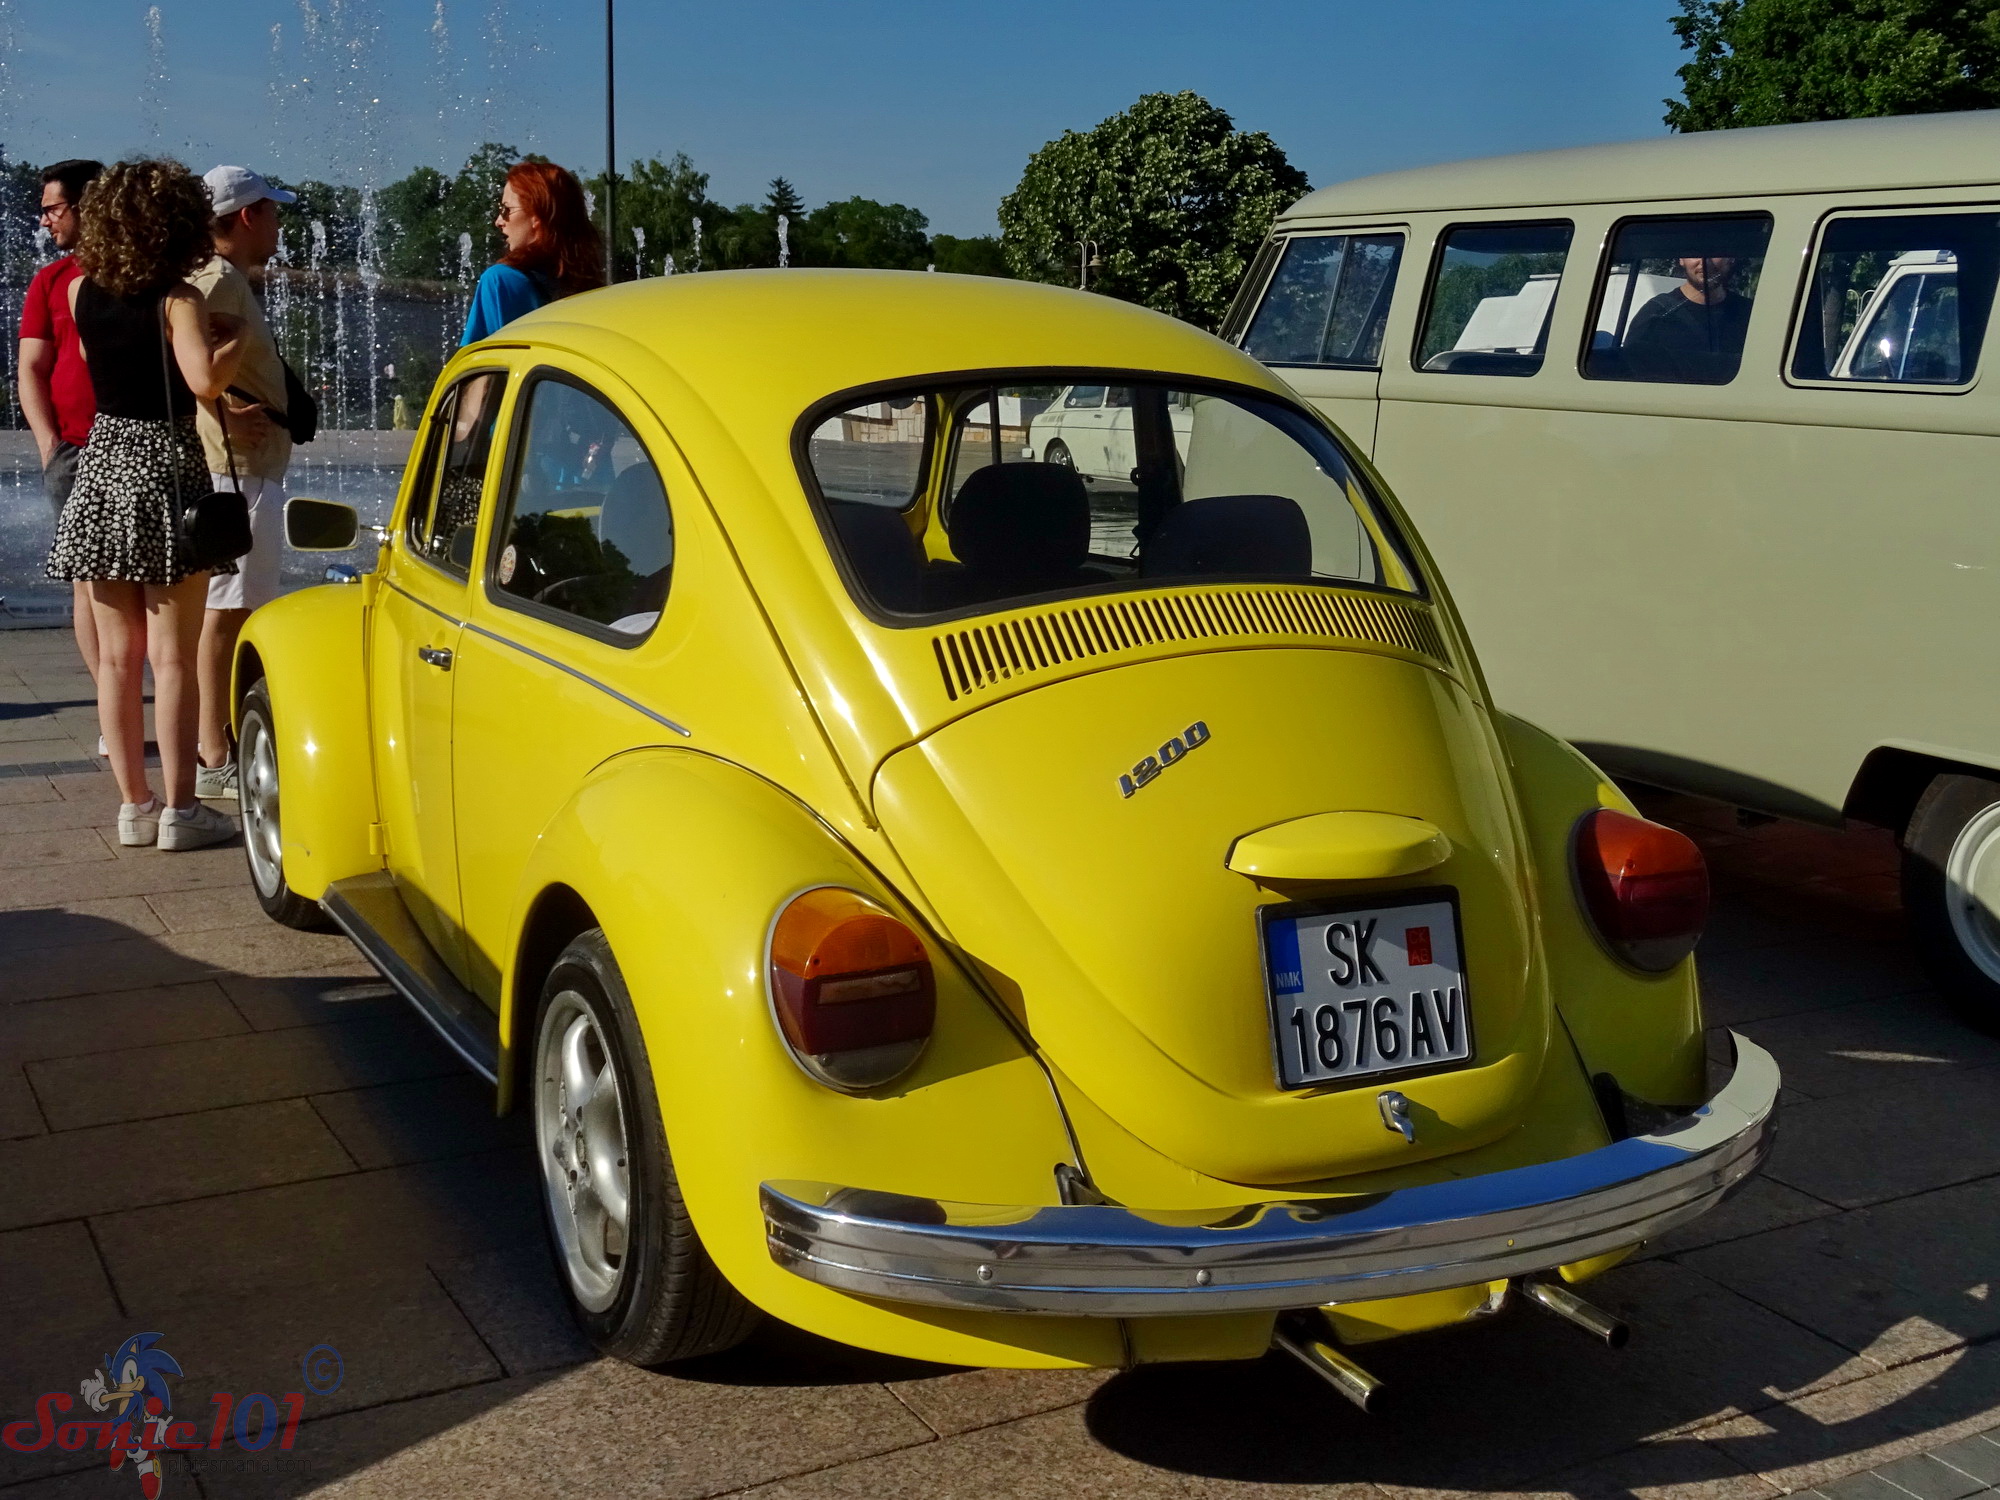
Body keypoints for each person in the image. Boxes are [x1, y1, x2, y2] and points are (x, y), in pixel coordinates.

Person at [44, 158, 246, 853]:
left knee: (117, 657)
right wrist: (235, 340)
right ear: (177, 225)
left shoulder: (80, 293)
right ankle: (183, 810)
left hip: (103, 465)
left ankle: (135, 806)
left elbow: (95, 363)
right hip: (165, 467)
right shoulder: (178, 298)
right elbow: (203, 381)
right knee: (174, 655)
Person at [189, 165, 297, 800]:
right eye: (273, 212)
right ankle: (213, 753)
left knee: (233, 607)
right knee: (226, 612)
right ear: (249, 216)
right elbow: (180, 353)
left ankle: (219, 743)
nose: (279, 224)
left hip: (244, 467)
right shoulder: (219, 278)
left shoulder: (223, 276)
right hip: (236, 471)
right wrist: (222, 410)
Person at [19, 158, 105, 693]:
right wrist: (48, 445)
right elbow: (30, 369)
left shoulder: (141, 274)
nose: (45, 220)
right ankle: (111, 700)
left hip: (140, 445)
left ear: (86, 205)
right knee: (88, 584)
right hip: (72, 450)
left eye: (53, 209)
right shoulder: (50, 281)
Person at [459, 160, 604, 346]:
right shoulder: (590, 290)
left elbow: (475, 362)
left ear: (537, 216)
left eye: (506, 209)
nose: (498, 221)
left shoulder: (500, 281)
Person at [1620, 254, 1754, 384]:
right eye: (1695, 253)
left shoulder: (1751, 314)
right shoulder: (1656, 316)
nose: (1704, 262)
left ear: (1731, 258)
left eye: (1714, 253)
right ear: (1681, 259)